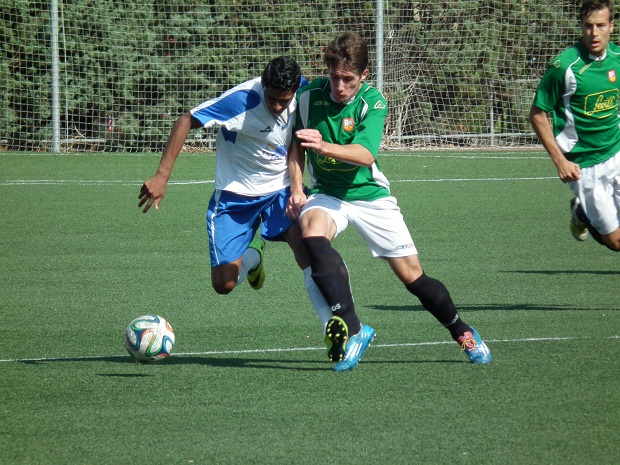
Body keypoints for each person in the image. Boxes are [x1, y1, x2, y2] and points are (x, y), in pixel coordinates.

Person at [287, 31, 492, 372]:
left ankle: (463, 331)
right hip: (327, 193)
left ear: (363, 76)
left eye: (348, 80)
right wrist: (297, 188)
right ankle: (354, 330)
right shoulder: (308, 97)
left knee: (413, 277)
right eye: (335, 78)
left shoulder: (373, 102)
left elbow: (366, 155)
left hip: (371, 198)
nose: (339, 86)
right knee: (310, 235)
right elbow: (296, 145)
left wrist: (323, 147)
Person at [138, 56, 333, 335]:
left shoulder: (303, 92)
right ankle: (254, 257)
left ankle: (332, 327)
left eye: (284, 100)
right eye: (273, 99)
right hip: (235, 195)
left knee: (306, 252)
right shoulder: (240, 102)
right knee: (224, 284)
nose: (279, 106)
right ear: (263, 85)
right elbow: (185, 121)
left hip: (282, 188)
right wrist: (162, 176)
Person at [529, 0, 620, 252]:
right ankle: (581, 212)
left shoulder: (617, 59)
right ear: (581, 26)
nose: (594, 33)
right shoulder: (564, 66)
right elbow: (537, 114)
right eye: (588, 26)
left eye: (601, 25)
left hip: (617, 150)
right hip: (585, 165)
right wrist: (560, 161)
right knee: (616, 243)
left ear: (611, 26)